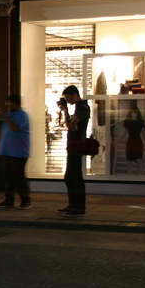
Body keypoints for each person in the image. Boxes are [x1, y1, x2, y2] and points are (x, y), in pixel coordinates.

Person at [57, 85, 90, 218]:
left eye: (68, 97)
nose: (68, 100)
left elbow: (70, 126)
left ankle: (78, 206)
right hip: (74, 145)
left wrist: (65, 111)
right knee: (70, 176)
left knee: (75, 176)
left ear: (75, 95)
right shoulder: (79, 107)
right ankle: (73, 205)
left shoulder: (82, 107)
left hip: (77, 145)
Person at [0, 94, 31, 210]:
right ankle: (9, 199)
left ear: (16, 104)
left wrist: (3, 117)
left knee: (18, 176)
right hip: (6, 150)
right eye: (6, 104)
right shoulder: (8, 115)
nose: (7, 106)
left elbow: (15, 128)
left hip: (18, 151)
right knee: (7, 176)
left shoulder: (22, 115)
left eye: (9, 104)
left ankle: (25, 199)